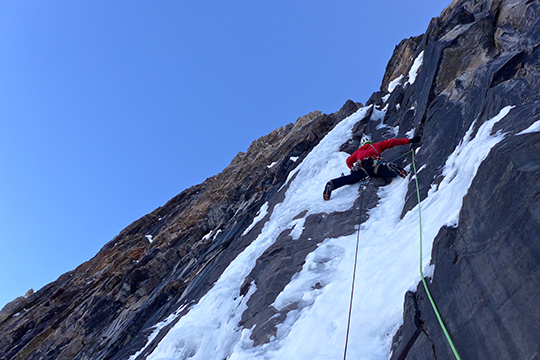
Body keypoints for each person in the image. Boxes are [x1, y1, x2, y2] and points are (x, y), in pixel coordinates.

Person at [323, 136, 421, 200]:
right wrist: (410, 140)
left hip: (361, 167)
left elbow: (348, 161)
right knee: (384, 171)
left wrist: (352, 168)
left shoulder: (357, 152)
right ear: (370, 141)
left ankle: (332, 184)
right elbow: (392, 142)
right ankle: (392, 168)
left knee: (351, 178)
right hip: (374, 162)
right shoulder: (376, 146)